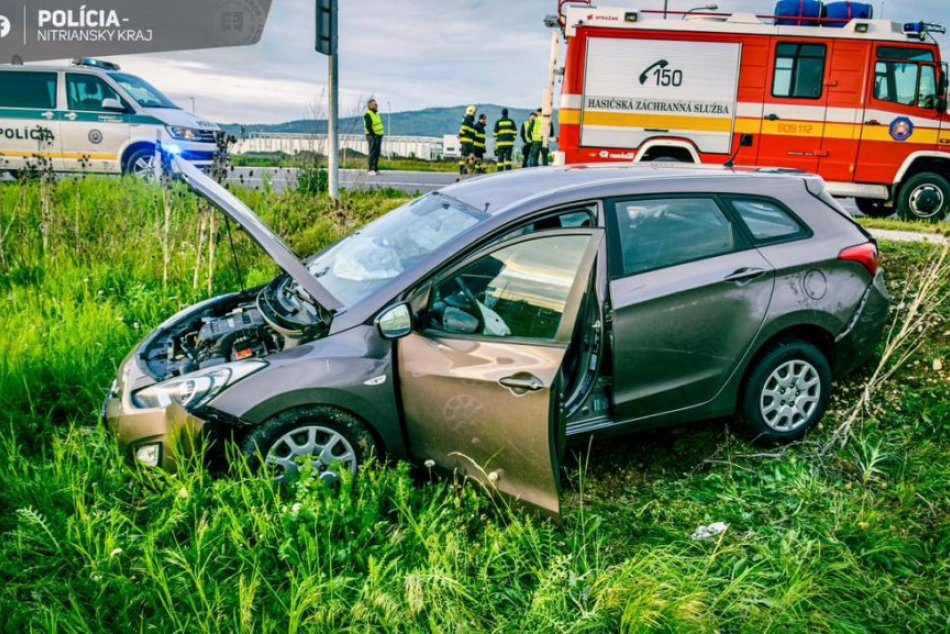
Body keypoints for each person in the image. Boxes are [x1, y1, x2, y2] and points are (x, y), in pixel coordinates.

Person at [363, 99, 385, 175]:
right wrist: (373, 135)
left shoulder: (376, 114)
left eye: (376, 104)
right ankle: (370, 169)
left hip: (378, 135)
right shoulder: (368, 114)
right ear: (370, 106)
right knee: (372, 152)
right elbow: (368, 126)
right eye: (374, 104)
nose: (376, 105)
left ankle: (375, 169)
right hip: (372, 135)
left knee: (377, 153)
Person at [457, 105, 478, 176]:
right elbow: (464, 128)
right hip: (466, 141)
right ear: (471, 111)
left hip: (469, 141)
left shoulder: (471, 120)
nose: (475, 113)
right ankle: (463, 170)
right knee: (465, 156)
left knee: (468, 156)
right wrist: (460, 134)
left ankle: (467, 170)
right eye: (474, 112)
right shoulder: (467, 119)